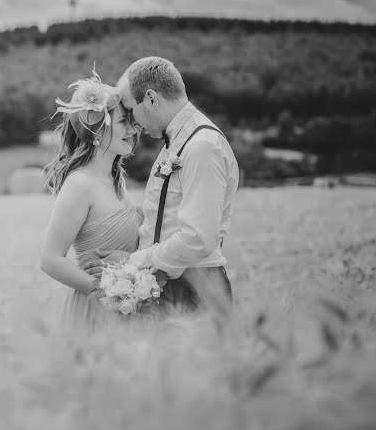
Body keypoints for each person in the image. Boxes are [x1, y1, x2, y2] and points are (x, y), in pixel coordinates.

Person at [87, 56, 238, 313]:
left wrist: (132, 261)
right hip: (173, 286)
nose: (133, 124)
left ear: (151, 98)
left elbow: (198, 239)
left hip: (196, 288)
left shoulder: (201, 146)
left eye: (131, 110)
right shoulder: (177, 142)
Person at [39, 69, 140, 333]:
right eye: (124, 122)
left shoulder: (116, 179)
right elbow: (50, 259)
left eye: (132, 121)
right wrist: (108, 293)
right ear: (97, 132)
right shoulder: (79, 185)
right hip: (97, 311)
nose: (133, 128)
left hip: (127, 309)